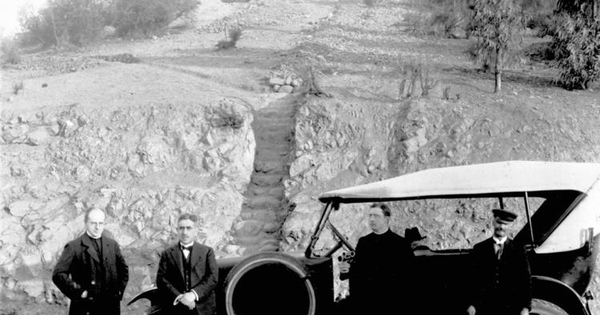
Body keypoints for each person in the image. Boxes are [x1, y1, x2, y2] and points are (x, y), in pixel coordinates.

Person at [339, 203, 415, 315]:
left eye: (376, 216)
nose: (372, 219)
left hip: (391, 304)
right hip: (366, 303)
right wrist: (346, 270)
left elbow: (409, 276)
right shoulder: (363, 242)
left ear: (386, 219)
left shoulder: (400, 244)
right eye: (370, 216)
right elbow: (358, 270)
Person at [52, 208, 129, 315]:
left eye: (101, 223)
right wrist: (79, 292)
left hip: (110, 306)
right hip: (85, 307)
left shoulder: (112, 245)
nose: (97, 227)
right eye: (93, 223)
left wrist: (118, 292)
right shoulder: (74, 246)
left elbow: (123, 270)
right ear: (86, 223)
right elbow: (58, 274)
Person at [467, 208, 532, 315]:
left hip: (511, 306)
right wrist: (472, 304)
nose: (501, 227)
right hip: (485, 306)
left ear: (510, 226)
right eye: (498, 222)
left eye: (505, 224)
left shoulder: (518, 250)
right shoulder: (479, 249)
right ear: (493, 222)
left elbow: (525, 280)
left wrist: (526, 307)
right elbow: (472, 279)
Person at [156, 213, 219, 315]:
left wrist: (193, 294)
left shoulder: (207, 252)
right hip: (176, 309)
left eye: (188, 228)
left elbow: (213, 277)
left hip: (203, 308)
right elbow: (161, 280)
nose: (184, 232)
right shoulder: (167, 254)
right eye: (181, 228)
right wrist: (180, 297)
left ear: (195, 231)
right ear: (177, 230)